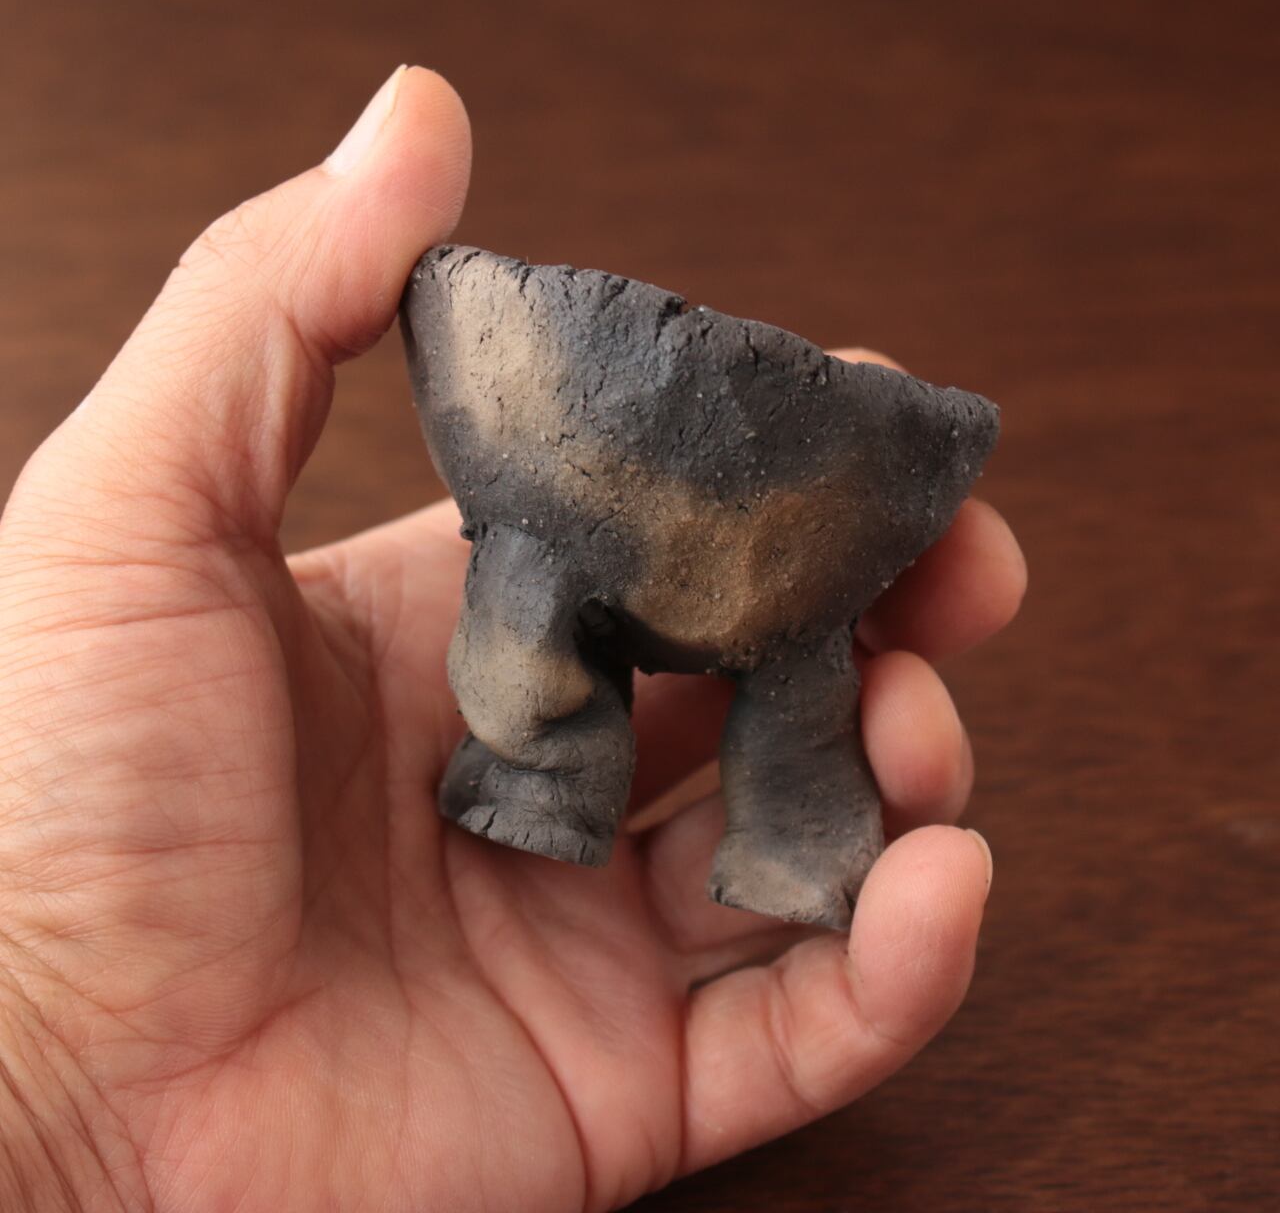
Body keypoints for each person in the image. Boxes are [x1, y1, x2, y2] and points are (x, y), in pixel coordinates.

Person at [0, 67, 1026, 1211]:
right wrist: (48, 1079)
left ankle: (585, 795)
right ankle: (768, 835)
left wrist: (58, 1110)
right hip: (779, 545)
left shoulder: (508, 423)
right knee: (734, 663)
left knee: (536, 608)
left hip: (614, 515)